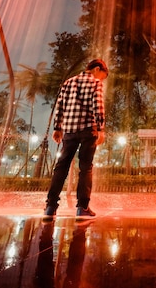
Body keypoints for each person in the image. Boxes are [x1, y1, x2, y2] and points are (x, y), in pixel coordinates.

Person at [44, 59, 108, 220]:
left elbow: (60, 106)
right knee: (85, 168)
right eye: (102, 76)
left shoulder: (68, 82)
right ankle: (82, 208)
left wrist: (57, 128)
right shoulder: (95, 83)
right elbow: (98, 107)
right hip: (88, 130)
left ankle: (50, 207)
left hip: (70, 130)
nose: (101, 80)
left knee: (61, 167)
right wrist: (101, 129)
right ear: (97, 69)